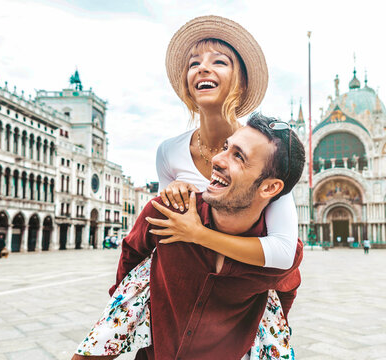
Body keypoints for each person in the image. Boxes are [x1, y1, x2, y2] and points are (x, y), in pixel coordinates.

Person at [73, 16, 299, 359]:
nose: (202, 69)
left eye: (218, 61)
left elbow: (285, 255)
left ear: (238, 80)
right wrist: (127, 312)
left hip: (237, 294)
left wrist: (200, 236)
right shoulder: (169, 151)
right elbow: (162, 234)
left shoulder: (264, 149)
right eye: (194, 63)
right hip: (178, 296)